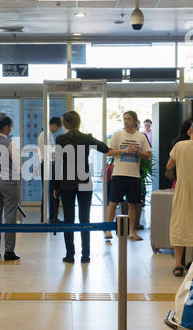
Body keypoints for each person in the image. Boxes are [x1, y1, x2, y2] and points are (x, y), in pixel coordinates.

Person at [54, 111, 109, 264]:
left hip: (66, 183)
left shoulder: (60, 139)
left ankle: (70, 255)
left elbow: (57, 164)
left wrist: (55, 186)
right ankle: (85, 255)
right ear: (79, 123)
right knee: (85, 218)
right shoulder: (86, 138)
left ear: (64, 123)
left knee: (68, 220)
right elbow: (104, 148)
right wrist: (89, 139)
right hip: (84, 182)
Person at [104, 111, 152, 241]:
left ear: (135, 121)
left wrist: (138, 152)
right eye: (124, 119)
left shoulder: (141, 136)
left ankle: (132, 231)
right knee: (113, 203)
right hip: (119, 174)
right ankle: (108, 230)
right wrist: (124, 151)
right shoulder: (118, 135)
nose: (126, 121)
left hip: (134, 175)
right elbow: (109, 152)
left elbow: (148, 154)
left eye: (129, 119)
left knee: (133, 204)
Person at [0, 113, 20, 261]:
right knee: (10, 216)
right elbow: (17, 165)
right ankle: (8, 251)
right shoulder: (10, 143)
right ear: (6, 127)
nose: (10, 129)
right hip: (8, 183)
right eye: (10, 126)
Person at [166, 121, 193, 277]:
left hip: (183, 188)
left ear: (189, 131)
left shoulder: (180, 146)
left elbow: (170, 166)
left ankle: (178, 265)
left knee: (180, 223)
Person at [38, 117, 62, 223]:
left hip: (46, 164)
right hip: (49, 165)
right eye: (57, 127)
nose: (57, 129)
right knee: (53, 191)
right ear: (53, 125)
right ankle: (52, 217)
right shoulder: (46, 135)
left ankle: (46, 216)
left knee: (47, 192)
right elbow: (50, 152)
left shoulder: (45, 134)